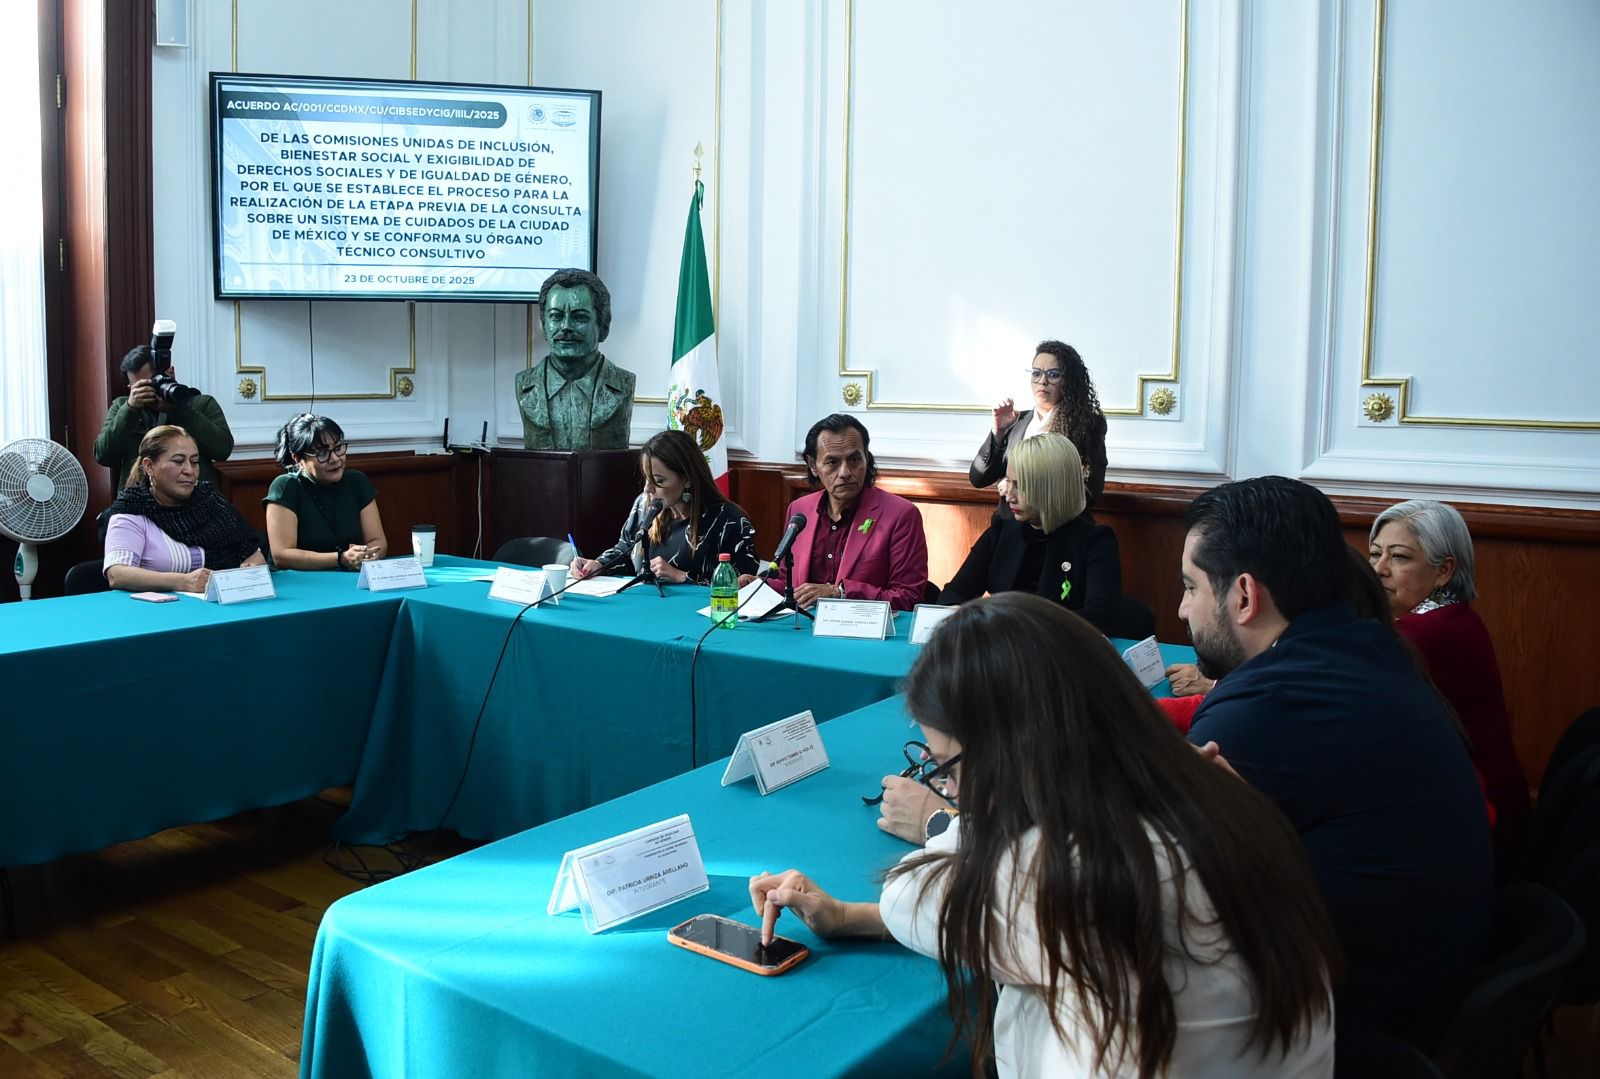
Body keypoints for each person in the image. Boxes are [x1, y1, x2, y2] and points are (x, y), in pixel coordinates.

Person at [752, 594, 1339, 1077]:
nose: (950, 788)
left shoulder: (1073, 872)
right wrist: (848, 918)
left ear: (1012, 753)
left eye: (948, 768)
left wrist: (952, 821)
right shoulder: (1212, 792)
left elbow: (912, 893)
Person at [1181, 476, 1492, 1037]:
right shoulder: (1367, 645)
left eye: (1191, 587)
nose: (1183, 610)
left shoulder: (1263, 707)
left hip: (1354, 1026)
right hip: (1436, 987)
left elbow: (1158, 886)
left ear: (1244, 596)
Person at [1370, 499, 1530, 869]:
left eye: (1399, 557)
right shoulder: (1451, 616)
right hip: (1488, 810)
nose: (1379, 569)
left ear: (1443, 571)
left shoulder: (1422, 635)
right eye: (1375, 553)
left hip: (1477, 829)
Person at [940, 433, 1122, 631]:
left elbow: (1100, 617)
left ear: (1051, 489)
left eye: (1019, 486)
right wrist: (957, 612)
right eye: (1009, 482)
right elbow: (952, 595)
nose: (1009, 496)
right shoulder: (1000, 532)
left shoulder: (1095, 542)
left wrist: (1016, 627)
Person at [751, 414, 929, 612]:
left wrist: (840, 593)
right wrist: (757, 586)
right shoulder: (800, 510)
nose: (845, 472)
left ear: (866, 458)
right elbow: (788, 583)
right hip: (802, 625)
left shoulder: (900, 515)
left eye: (854, 459)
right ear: (813, 465)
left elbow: (908, 597)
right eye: (832, 462)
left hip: (861, 628)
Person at [570, 429, 759, 584]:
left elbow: (743, 585)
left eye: (659, 481)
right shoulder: (644, 505)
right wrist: (599, 564)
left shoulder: (728, 521)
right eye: (647, 479)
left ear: (687, 479)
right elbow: (625, 551)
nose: (648, 489)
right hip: (642, 607)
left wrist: (682, 577)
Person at [102, 425, 263, 592]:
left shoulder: (210, 501)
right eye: (178, 461)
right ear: (149, 466)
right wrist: (184, 582)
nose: (190, 471)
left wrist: (249, 572)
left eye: (194, 462)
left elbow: (254, 555)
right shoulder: (131, 508)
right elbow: (117, 574)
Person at [970, 340, 1107, 516]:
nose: (1042, 381)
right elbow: (978, 479)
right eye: (1036, 373)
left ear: (1069, 380)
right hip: (1008, 527)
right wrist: (998, 433)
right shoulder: (1016, 421)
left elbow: (1089, 491)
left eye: (1053, 374)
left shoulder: (1087, 424)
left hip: (1057, 528)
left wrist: (1019, 488)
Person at [513, 269, 636, 450]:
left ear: (603, 326)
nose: (566, 327)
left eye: (579, 317)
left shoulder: (623, 383)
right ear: (544, 325)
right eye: (556, 316)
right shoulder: (524, 385)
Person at [93, 344, 234, 493]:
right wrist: (130, 410)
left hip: (195, 499)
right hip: (139, 500)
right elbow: (103, 456)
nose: (150, 390)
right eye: (141, 386)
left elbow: (223, 450)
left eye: (152, 382)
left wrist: (180, 410)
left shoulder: (201, 404)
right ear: (131, 388)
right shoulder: (122, 407)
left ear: (170, 373)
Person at [264, 414, 387, 571]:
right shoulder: (286, 486)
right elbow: (282, 555)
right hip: (300, 580)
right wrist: (341, 559)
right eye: (322, 453)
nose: (335, 458)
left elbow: (377, 541)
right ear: (298, 458)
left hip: (351, 576)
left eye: (338, 448)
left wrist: (368, 555)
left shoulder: (357, 481)